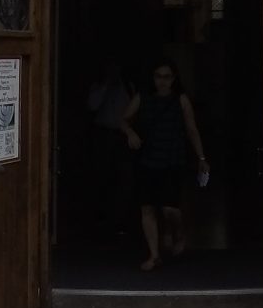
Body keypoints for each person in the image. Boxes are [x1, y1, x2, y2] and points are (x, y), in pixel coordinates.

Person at [121, 60, 207, 271]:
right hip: (147, 159)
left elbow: (191, 128)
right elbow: (123, 119)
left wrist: (202, 158)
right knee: (148, 207)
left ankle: (178, 232)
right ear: (153, 78)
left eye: (166, 76)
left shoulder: (180, 100)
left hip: (172, 159)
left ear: (174, 78)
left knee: (170, 209)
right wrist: (130, 133)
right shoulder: (142, 97)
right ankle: (154, 254)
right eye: (158, 76)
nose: (162, 81)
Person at [84, 60, 137, 239]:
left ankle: (120, 221)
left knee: (124, 179)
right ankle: (100, 222)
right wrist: (106, 84)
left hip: (123, 137)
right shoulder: (98, 86)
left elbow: (135, 110)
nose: (114, 70)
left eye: (117, 66)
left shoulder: (128, 87)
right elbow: (92, 105)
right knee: (101, 176)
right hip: (103, 135)